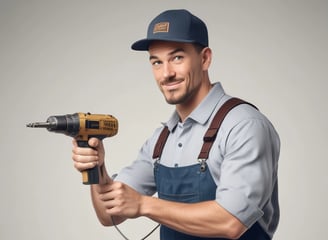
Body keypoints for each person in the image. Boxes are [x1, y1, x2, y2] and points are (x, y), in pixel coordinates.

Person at [71, 9, 280, 240]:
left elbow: (232, 221)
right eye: (156, 62)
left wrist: (143, 204)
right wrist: (98, 170)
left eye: (177, 58)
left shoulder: (243, 125)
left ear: (205, 58)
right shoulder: (162, 139)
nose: (166, 74)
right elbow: (108, 215)